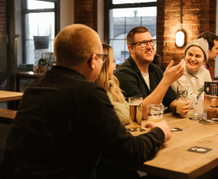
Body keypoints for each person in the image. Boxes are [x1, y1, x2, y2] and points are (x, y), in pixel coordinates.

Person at [0, 24, 171, 178]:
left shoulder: (34, 88)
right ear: (92, 61)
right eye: (102, 58)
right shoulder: (88, 93)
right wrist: (159, 133)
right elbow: (130, 153)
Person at [114, 26, 189, 119]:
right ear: (131, 49)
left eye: (151, 42)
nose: (150, 47)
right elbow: (141, 113)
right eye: (143, 43)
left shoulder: (155, 69)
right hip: (136, 130)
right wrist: (166, 81)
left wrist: (177, 106)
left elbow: (170, 100)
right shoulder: (124, 74)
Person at [95, 43, 130, 125]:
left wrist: (112, 106)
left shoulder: (112, 82)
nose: (115, 65)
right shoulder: (92, 88)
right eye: (113, 61)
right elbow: (121, 117)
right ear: (104, 65)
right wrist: (115, 107)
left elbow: (130, 113)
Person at [171, 38, 212, 103]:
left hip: (200, 112)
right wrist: (203, 96)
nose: (193, 59)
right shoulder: (178, 71)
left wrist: (197, 96)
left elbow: (211, 96)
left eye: (197, 56)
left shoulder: (206, 72)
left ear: (204, 60)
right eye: (190, 54)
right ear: (185, 55)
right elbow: (187, 100)